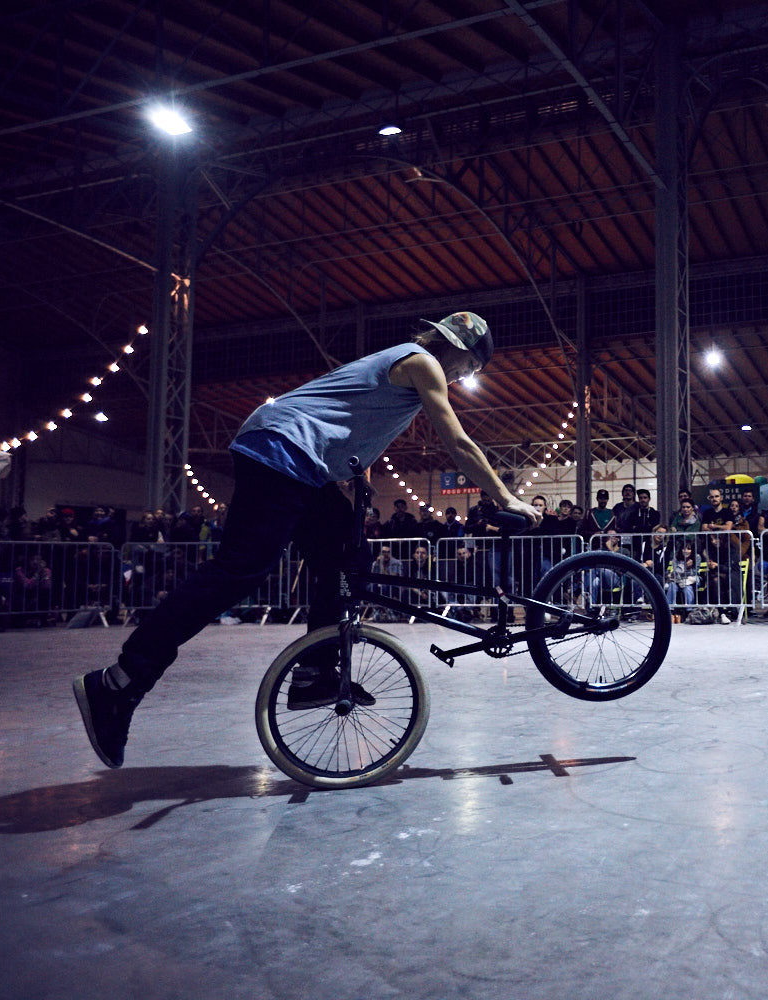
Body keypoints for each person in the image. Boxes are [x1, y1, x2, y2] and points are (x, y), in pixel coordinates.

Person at [72, 310, 541, 769]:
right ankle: (120, 681)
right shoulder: (423, 363)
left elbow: (356, 415)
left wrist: (357, 480)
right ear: (460, 353)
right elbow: (457, 443)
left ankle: (315, 673)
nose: (463, 377)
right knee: (239, 570)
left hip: (302, 463)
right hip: (282, 452)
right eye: (471, 368)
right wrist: (507, 498)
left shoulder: (401, 367)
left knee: (347, 555)